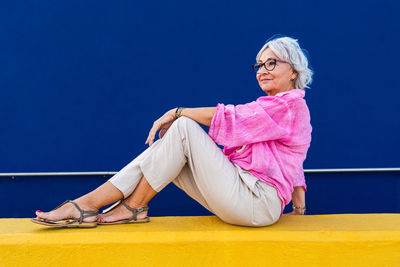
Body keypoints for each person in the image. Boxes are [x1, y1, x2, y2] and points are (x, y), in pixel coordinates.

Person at [31, 35, 313, 228]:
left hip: (254, 202)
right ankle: (99, 206)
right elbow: (293, 160)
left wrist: (177, 111)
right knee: (165, 152)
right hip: (245, 196)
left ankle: (115, 207)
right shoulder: (280, 110)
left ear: (294, 71)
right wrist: (299, 208)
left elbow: (234, 119)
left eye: (272, 63)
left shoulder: (289, 107)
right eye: (259, 65)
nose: (262, 70)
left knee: (183, 127)